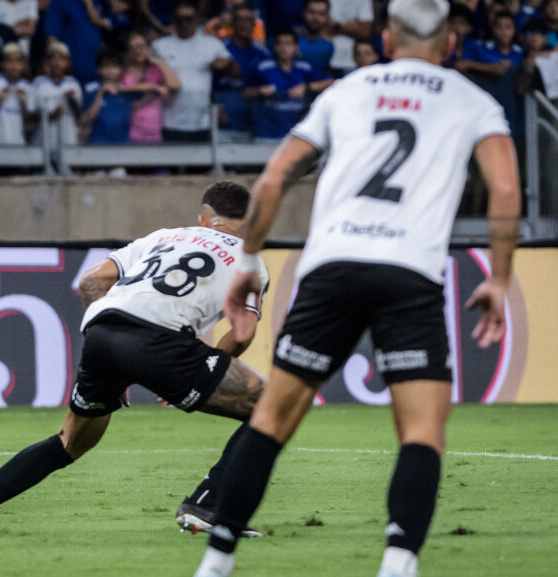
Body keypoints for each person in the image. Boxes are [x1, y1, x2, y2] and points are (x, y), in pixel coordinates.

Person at [192, 1, 522, 576]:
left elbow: (273, 178)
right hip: (409, 273)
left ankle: (217, 560)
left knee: (271, 420)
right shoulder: (475, 101)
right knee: (421, 431)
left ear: (388, 38)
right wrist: (498, 275)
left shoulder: (348, 89)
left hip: (333, 267)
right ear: (448, 44)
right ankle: (398, 564)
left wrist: (247, 259)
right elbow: (506, 190)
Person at [0, 181, 271, 537]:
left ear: (203, 219)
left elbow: (91, 283)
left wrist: (114, 361)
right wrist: (202, 372)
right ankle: (206, 504)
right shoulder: (251, 262)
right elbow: (243, 333)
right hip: (164, 343)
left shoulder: (166, 236)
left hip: (103, 332)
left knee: (70, 443)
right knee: (269, 408)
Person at [153, 0, 234, 143]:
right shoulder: (160, 46)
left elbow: (233, 69)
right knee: (171, 163)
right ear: (174, 20)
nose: (184, 23)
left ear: (196, 20)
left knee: (201, 165)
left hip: (202, 120)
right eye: (180, 19)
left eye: (189, 19)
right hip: (169, 119)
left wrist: (224, 64)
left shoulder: (212, 44)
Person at [245, 29, 332, 140]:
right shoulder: (263, 67)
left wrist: (306, 87)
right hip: (267, 133)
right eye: (280, 43)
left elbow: (331, 83)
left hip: (297, 133)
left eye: (288, 43)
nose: (283, 48)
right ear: (274, 47)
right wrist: (259, 91)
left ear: (295, 47)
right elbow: (245, 93)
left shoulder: (305, 68)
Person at [216, 4, 271, 143]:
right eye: (240, 20)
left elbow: (268, 85)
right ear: (232, 23)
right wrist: (216, 107)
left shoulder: (262, 54)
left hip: (251, 121)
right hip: (223, 121)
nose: (244, 24)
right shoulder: (219, 48)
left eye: (248, 20)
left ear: (254, 24)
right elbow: (209, 83)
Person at [122, 30, 180, 144]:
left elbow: (175, 85)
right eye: (132, 47)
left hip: (154, 133)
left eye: (140, 46)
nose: (137, 51)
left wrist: (158, 61)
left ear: (148, 48)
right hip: (129, 133)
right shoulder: (123, 71)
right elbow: (118, 88)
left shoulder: (155, 69)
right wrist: (153, 87)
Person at [0, 42, 32, 144]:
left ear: (23, 64)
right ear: (2, 63)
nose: (14, 65)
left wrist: (23, 104)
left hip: (18, 143)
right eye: (9, 61)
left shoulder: (27, 86)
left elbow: (30, 124)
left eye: (18, 61)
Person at [33, 42, 82, 147]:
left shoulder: (73, 83)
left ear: (68, 62)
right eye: (53, 58)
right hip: (44, 141)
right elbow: (31, 115)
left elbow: (79, 114)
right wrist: (50, 116)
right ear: (46, 62)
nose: (57, 62)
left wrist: (71, 99)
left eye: (61, 58)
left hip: (68, 139)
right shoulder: (38, 83)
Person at [44, 0, 102, 85]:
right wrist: (52, 67)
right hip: (71, 68)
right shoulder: (59, 2)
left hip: (100, 68)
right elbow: (52, 36)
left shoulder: (103, 2)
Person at [82, 49, 133, 144]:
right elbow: (87, 119)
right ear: (98, 70)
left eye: (114, 66)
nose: (110, 70)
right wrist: (101, 92)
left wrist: (120, 89)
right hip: (97, 144)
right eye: (106, 66)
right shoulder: (91, 89)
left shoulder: (128, 90)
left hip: (123, 145)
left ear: (121, 69)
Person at [326, 0, 373, 75]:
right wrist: (352, 26)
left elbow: (365, 31)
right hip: (327, 61)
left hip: (352, 62)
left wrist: (336, 25)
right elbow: (322, 26)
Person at [297, 0, 335, 73]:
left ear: (328, 16)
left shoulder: (329, 46)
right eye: (311, 12)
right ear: (303, 12)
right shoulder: (289, 40)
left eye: (321, 14)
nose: (316, 18)